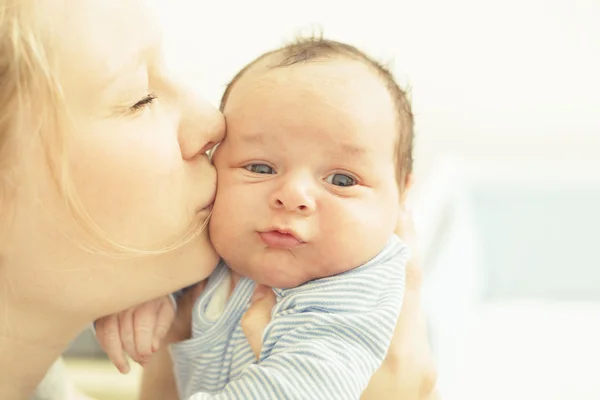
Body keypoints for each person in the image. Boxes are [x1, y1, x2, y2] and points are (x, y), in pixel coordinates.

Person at [0, 0, 436, 399]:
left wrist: (159, 297)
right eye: (139, 99)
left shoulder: (355, 288)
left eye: (342, 178)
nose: (214, 123)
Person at [96, 37, 413, 399]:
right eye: (260, 167)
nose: (292, 196)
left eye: (342, 180)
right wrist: (149, 289)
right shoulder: (225, 235)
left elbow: (299, 388)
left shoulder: (357, 286)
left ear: (402, 197)